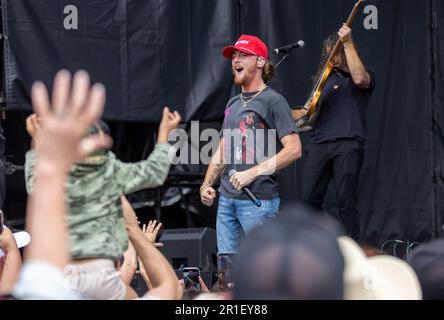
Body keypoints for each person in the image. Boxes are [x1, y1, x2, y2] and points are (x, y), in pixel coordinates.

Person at [24, 70, 181, 299]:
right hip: (101, 271)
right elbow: (154, 172)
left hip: (63, 272)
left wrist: (38, 145)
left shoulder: (59, 174)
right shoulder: (110, 170)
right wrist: (164, 136)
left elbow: (34, 186)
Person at [200, 35, 301, 253]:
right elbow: (224, 148)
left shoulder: (273, 101)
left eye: (243, 55)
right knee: (227, 269)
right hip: (227, 200)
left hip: (259, 202)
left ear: (261, 62)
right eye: (233, 56)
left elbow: (294, 149)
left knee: (262, 269)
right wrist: (207, 184)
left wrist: (253, 172)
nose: (236, 60)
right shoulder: (233, 103)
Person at [292, 25, 376, 241]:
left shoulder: (360, 76)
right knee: (308, 200)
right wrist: (276, 107)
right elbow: (306, 115)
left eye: (337, 49)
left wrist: (346, 42)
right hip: (320, 142)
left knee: (346, 201)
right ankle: (323, 242)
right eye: (331, 50)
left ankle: (353, 252)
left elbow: (360, 79)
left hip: (347, 142)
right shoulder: (321, 83)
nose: (334, 54)